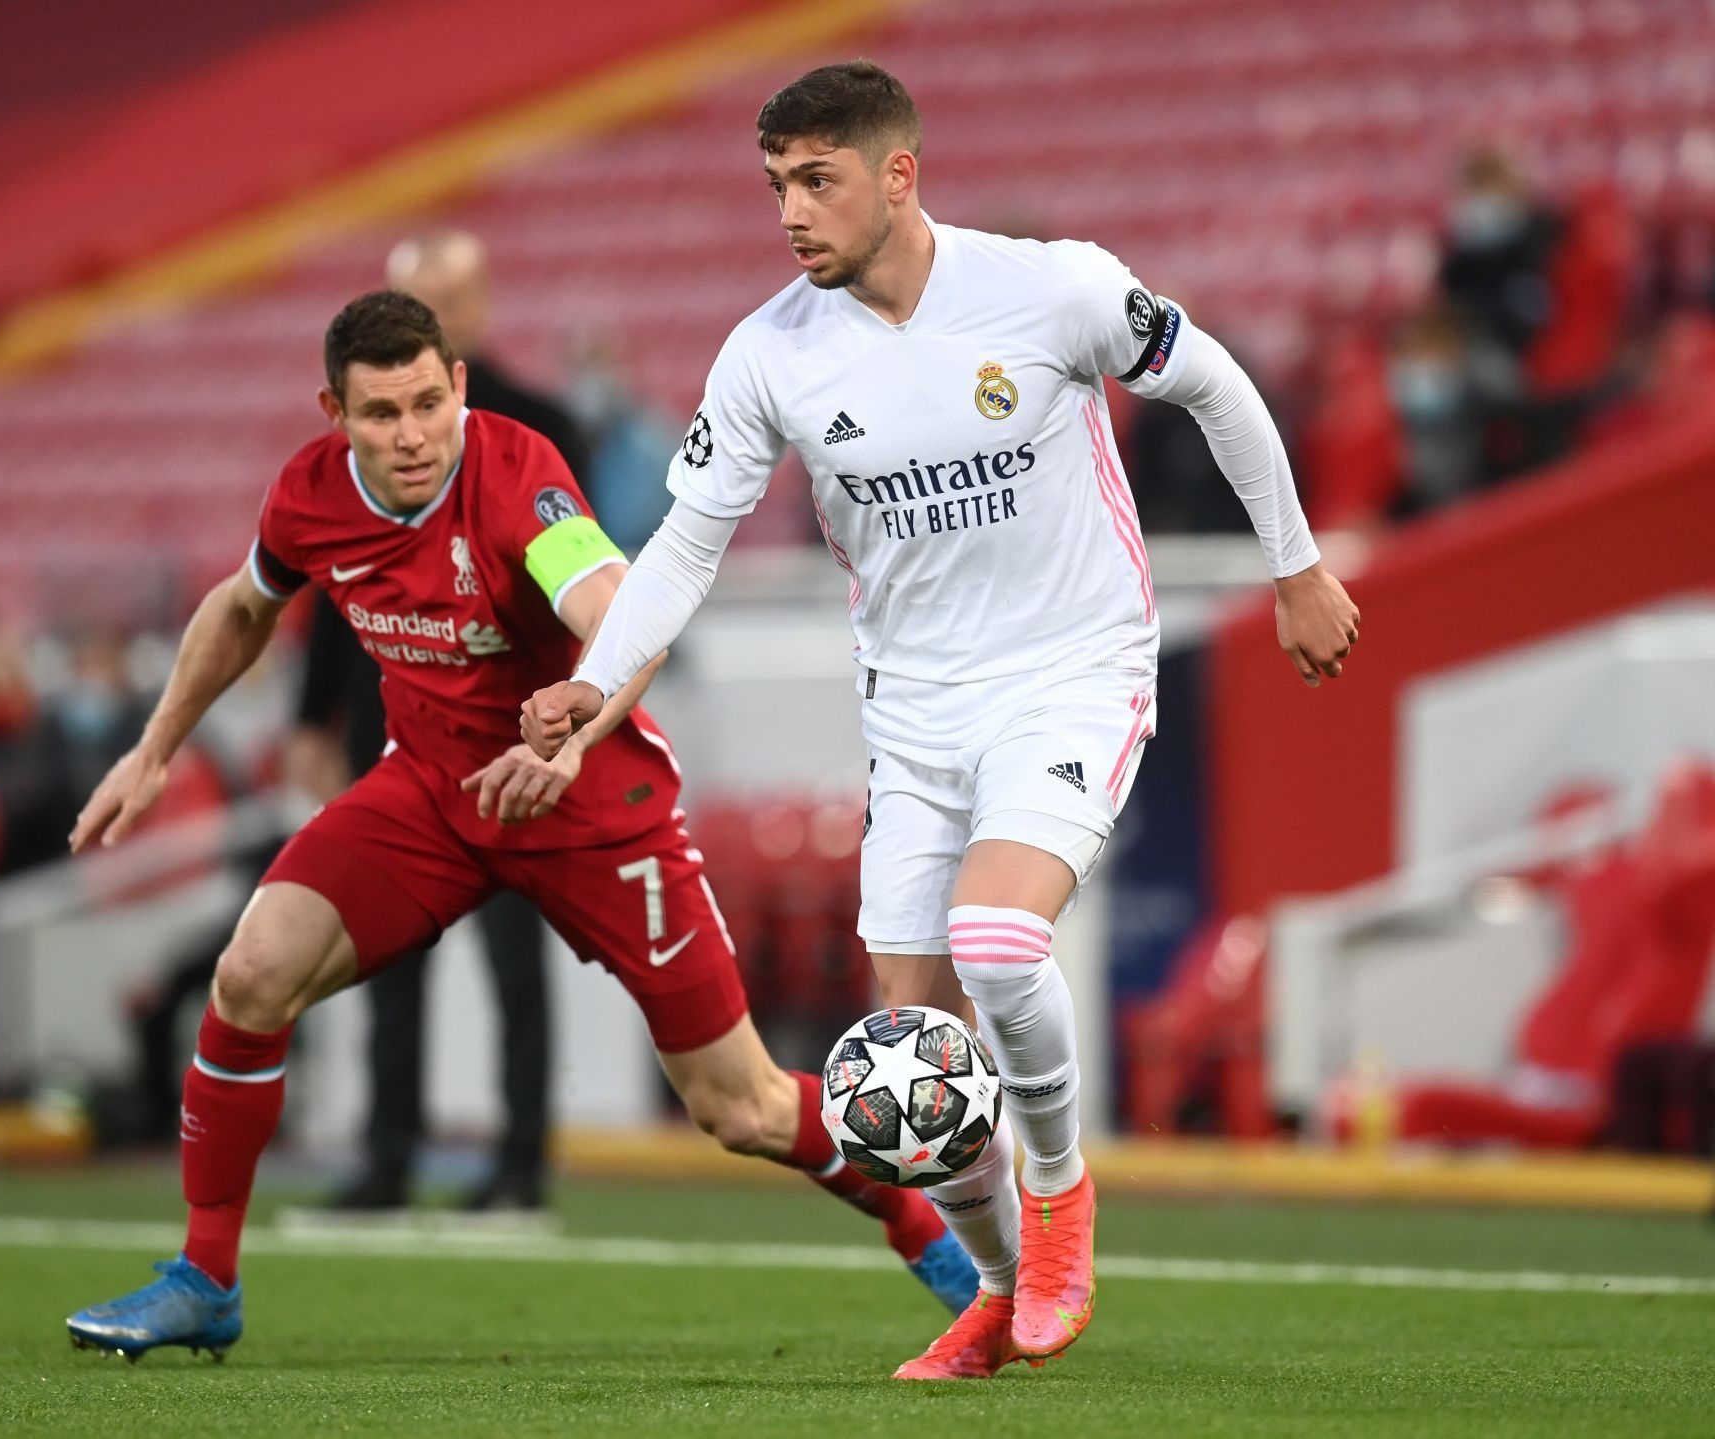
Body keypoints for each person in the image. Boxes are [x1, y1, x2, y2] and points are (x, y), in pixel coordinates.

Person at [522, 61, 1360, 1381]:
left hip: (1073, 670)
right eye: (775, 186)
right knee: (897, 1054)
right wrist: (595, 676)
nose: (791, 214)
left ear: (896, 175)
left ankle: (1065, 1202)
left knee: (999, 938)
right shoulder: (771, 354)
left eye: (817, 181)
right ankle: (997, 1285)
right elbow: (684, 543)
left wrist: (1297, 564)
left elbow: (1218, 385)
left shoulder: (1052, 287)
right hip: (914, 710)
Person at [62, 290, 976, 1361]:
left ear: (457, 383)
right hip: (435, 795)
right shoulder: (311, 496)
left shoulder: (515, 476)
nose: (411, 434)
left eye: (425, 402)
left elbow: (618, 610)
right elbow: (243, 606)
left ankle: (935, 1220)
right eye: (379, 413)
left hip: (592, 806)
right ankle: (205, 1276)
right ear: (335, 413)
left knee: (742, 1107)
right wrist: (158, 746)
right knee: (250, 973)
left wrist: (572, 739)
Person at [297, 229, 590, 1215]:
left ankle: (521, 1162)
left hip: (511, 736)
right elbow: (330, 585)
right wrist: (314, 715)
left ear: (479, 307)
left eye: (451, 296)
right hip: (389, 723)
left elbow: (588, 584)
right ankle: (388, 1152)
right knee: (384, 947)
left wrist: (565, 723)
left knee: (515, 959)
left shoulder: (540, 426)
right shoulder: (361, 443)